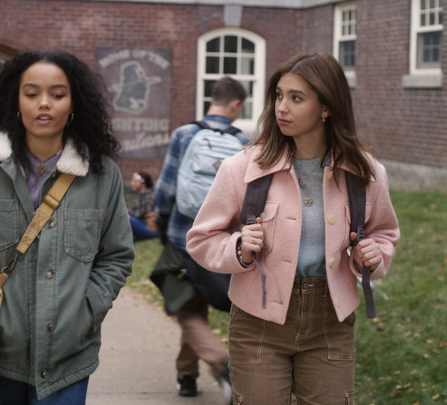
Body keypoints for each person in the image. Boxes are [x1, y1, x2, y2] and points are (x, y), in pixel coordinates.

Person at [186, 52, 400, 404]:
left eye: (296, 98)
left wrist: (375, 254)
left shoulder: (366, 173)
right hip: (258, 321)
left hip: (331, 320)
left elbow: (384, 233)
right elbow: (202, 239)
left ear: (326, 107)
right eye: (279, 96)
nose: (281, 107)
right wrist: (239, 248)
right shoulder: (242, 168)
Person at [0, 50, 135, 404]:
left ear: (74, 104)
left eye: (57, 94)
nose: (44, 104)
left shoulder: (101, 174)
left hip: (68, 358)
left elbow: (116, 256)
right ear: (15, 100)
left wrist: (84, 312)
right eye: (31, 93)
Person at [150, 75, 248, 400]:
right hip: (222, 243)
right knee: (195, 307)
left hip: (183, 237)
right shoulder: (242, 141)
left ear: (213, 98)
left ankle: (222, 364)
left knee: (188, 309)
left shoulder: (185, 133)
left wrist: (163, 224)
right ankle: (187, 378)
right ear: (236, 104)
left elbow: (166, 188)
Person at [128, 171, 158, 240]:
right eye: (132, 181)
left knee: (127, 218)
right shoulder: (145, 195)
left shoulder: (149, 196)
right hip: (145, 226)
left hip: (150, 229)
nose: (132, 183)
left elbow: (145, 213)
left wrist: (127, 214)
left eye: (135, 181)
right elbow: (137, 209)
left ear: (143, 184)